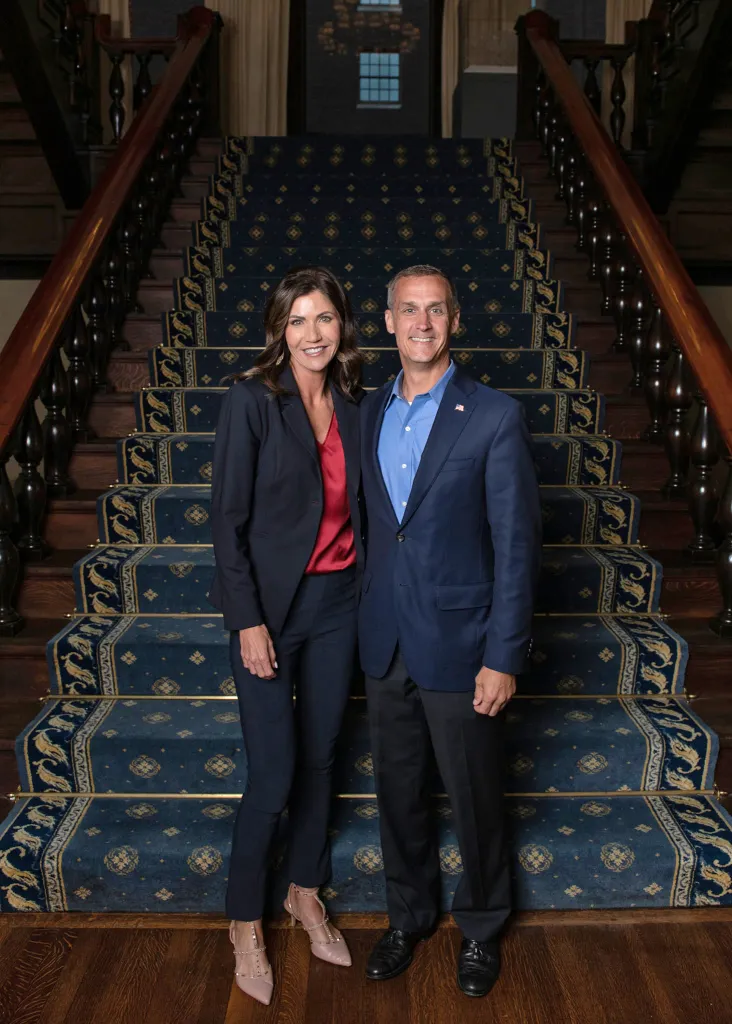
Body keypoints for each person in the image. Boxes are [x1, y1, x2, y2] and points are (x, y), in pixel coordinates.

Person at [358, 265, 543, 998]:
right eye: (409, 310)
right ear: (388, 321)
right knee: (398, 791)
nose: (422, 323)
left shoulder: (494, 415)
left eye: (436, 311)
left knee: (473, 794)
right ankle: (408, 916)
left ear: (455, 321)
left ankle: (483, 926)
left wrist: (504, 655)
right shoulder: (367, 410)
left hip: (464, 646)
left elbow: (517, 544)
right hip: (385, 641)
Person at [209, 266, 363, 1006]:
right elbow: (227, 521)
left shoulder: (357, 404)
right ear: (280, 330)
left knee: (322, 754)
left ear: (343, 327)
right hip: (269, 612)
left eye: (325, 319)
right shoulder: (251, 402)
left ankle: (304, 893)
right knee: (273, 770)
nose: (313, 334)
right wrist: (246, 620)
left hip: (340, 603)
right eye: (298, 321)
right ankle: (245, 921)